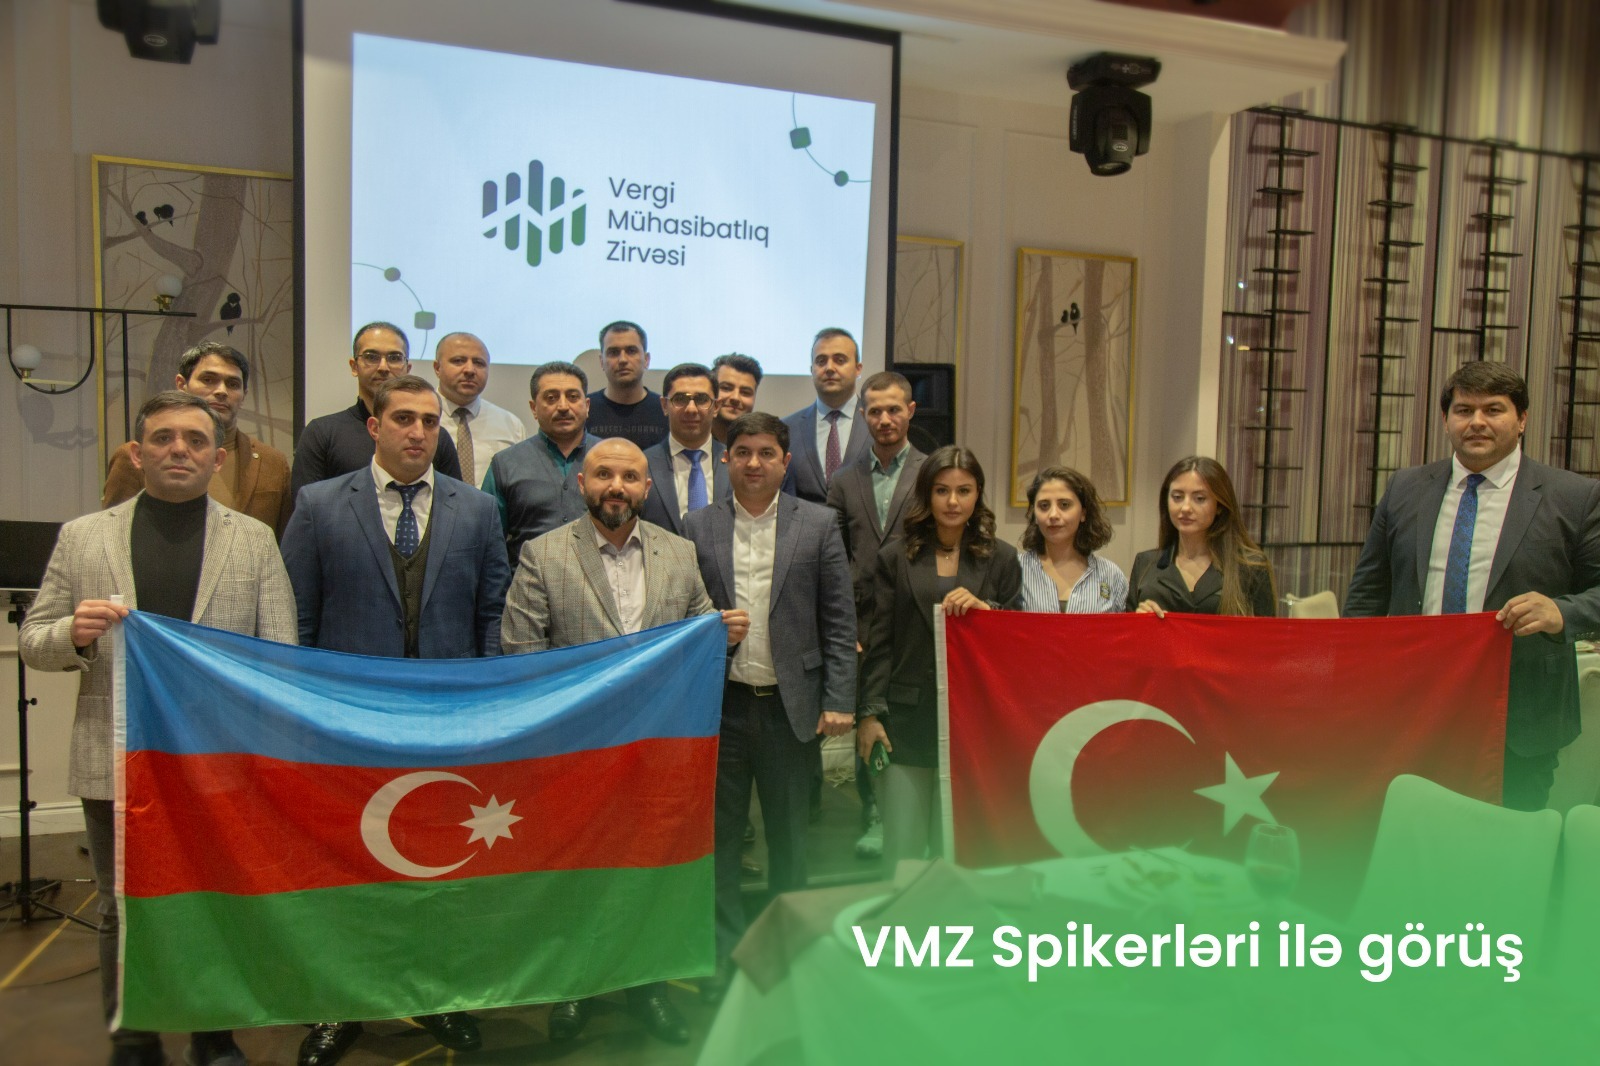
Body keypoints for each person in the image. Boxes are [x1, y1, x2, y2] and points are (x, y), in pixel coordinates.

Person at [21, 391, 297, 1066]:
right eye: (164, 438)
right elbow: (33, 640)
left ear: (217, 458)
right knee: (120, 906)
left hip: (215, 761)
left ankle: (212, 1035)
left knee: (215, 900)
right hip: (113, 756)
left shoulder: (254, 540)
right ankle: (134, 1039)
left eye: (196, 440)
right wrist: (73, 633)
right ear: (138, 453)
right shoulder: (84, 536)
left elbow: (280, 655)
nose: (180, 449)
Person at [280, 375, 507, 1066]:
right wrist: (310, 711)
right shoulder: (320, 504)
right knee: (344, 866)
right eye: (404, 418)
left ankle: (438, 994)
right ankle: (339, 1003)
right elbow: (298, 617)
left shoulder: (477, 510)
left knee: (439, 865)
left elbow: (491, 614)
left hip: (446, 722)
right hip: (347, 723)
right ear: (374, 427)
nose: (418, 431)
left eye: (429, 421)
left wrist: (484, 706)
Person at [500, 437, 748, 1046]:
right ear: (581, 484)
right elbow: (521, 654)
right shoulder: (543, 554)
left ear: (646, 487)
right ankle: (576, 989)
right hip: (576, 753)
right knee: (578, 874)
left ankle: (649, 987)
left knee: (651, 872)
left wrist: (724, 634)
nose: (617, 486)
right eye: (604, 475)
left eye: (630, 477)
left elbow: (698, 636)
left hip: (658, 751)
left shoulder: (679, 553)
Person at [1345, 361, 1600, 811]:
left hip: (1518, 719)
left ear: (1522, 420)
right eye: (1464, 410)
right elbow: (1367, 596)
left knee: (1507, 846)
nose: (1477, 422)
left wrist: (1562, 612)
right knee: (1413, 833)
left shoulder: (1574, 497)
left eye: (1493, 410)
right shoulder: (1405, 488)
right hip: (1413, 710)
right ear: (1446, 419)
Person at [682, 412, 856, 1003]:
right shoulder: (697, 524)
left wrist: (839, 699)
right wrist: (710, 626)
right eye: (742, 452)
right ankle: (723, 958)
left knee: (789, 841)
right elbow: (683, 611)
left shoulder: (819, 524)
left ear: (785, 461)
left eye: (765, 453)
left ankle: (788, 954)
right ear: (725, 459)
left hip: (791, 708)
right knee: (721, 843)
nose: (753, 463)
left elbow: (839, 620)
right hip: (722, 706)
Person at [857, 446, 1021, 865]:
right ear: (927, 495)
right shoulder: (895, 557)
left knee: (962, 852)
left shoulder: (1002, 557)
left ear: (978, 494)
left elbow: (1017, 639)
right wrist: (869, 714)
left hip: (972, 722)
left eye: (964, 491)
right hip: (905, 720)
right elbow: (879, 642)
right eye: (942, 490)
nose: (952, 501)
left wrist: (987, 611)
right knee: (904, 853)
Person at [825, 371, 925, 858]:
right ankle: (874, 813)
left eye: (894, 409)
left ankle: (916, 815)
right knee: (868, 711)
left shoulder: (932, 473)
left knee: (907, 715)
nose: (885, 419)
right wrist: (844, 623)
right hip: (863, 618)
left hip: (916, 616)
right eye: (875, 411)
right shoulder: (845, 480)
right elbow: (833, 555)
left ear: (910, 411)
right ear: (863, 415)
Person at [102, 340, 293, 539]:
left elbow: (284, 544)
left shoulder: (273, 463)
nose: (221, 391)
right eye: (208, 380)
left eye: (233, 384)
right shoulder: (138, 457)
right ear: (181, 385)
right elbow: (113, 535)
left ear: (243, 394)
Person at [290, 322, 462, 499]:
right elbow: (309, 506)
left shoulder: (433, 437)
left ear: (407, 368)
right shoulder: (322, 433)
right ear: (354, 366)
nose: (383, 367)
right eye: (371, 357)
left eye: (394, 358)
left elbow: (455, 503)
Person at [482, 361, 600, 565]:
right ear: (533, 408)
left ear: (587, 406)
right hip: (526, 582)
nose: (563, 406)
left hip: (599, 581)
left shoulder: (614, 459)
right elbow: (488, 541)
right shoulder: (505, 464)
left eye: (573, 397)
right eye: (551, 398)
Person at [1127, 456, 1276, 617]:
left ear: (1219, 506)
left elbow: (1266, 631)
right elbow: (1127, 630)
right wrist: (1140, 623)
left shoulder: (1251, 567)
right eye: (1177, 497)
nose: (1185, 508)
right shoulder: (1145, 563)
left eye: (1199, 499)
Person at [1017, 466, 1128, 613]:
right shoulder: (1014, 570)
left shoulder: (1111, 575)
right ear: (1034, 514)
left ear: (1083, 513)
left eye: (1064, 505)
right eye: (1044, 506)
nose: (1053, 515)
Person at [782, 327, 869, 503]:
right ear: (811, 369)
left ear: (858, 369)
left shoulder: (876, 423)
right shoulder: (787, 429)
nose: (829, 368)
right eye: (821, 361)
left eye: (840, 360)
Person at [640, 362, 728, 535]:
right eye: (680, 399)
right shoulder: (642, 463)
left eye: (701, 399)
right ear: (664, 405)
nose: (691, 409)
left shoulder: (736, 462)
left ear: (716, 407)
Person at [431, 331, 526, 486]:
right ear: (437, 368)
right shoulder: (418, 420)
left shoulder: (510, 425)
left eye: (479, 363)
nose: (469, 370)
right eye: (458, 361)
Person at [585, 319, 669, 448]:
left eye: (631, 351)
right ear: (601, 361)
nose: (623, 360)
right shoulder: (584, 410)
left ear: (646, 360)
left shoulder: (666, 410)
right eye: (613, 352)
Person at [710, 352, 762, 445]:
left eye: (745, 392)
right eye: (726, 388)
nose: (735, 398)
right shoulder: (690, 441)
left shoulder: (762, 445)